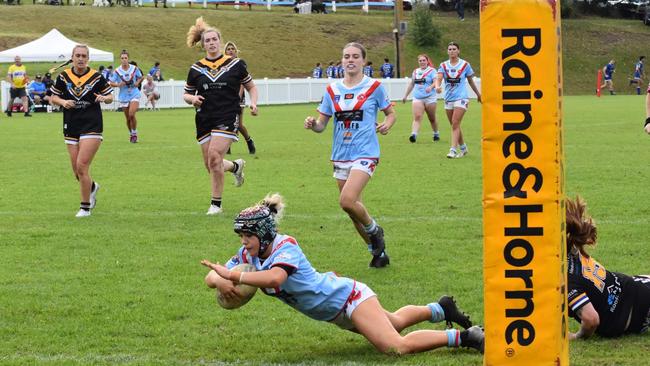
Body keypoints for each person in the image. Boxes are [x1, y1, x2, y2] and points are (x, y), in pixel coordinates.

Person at [201, 193, 485, 355]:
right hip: (336, 313)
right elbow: (212, 277)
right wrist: (221, 280)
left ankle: (466, 338)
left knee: (395, 346)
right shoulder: (250, 254)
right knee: (396, 322)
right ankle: (440, 308)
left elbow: (275, 279)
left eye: (247, 236)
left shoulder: (285, 246)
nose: (243, 242)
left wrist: (234, 277)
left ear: (263, 234)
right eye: (241, 237)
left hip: (347, 297)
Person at [304, 42, 395, 268]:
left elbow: (391, 113)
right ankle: (377, 251)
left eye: (355, 56)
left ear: (364, 61)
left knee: (346, 200)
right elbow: (321, 125)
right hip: (340, 154)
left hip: (366, 152)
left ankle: (375, 231)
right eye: (346, 56)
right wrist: (312, 123)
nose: (350, 60)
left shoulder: (374, 87)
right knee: (352, 210)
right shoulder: (332, 90)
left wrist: (387, 124)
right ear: (342, 61)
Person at [184, 17, 258, 215]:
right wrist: (192, 99)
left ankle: (215, 205)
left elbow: (251, 86)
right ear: (203, 44)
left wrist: (253, 103)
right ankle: (235, 166)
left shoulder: (235, 64)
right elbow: (186, 93)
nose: (211, 43)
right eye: (207, 40)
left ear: (220, 41)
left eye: (214, 39)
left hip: (227, 115)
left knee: (214, 156)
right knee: (211, 164)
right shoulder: (196, 68)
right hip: (204, 118)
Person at [565, 196, 650, 339]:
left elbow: (591, 320)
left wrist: (577, 336)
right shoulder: (574, 251)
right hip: (636, 297)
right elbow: (591, 319)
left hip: (632, 312)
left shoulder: (566, 278)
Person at [49, 44, 113, 217]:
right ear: (72, 57)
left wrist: (104, 98)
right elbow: (52, 96)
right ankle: (92, 187)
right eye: (78, 55)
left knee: (82, 165)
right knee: (77, 172)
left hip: (92, 125)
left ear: (88, 58)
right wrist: (63, 102)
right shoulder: (63, 76)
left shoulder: (96, 77)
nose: (81, 58)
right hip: (71, 125)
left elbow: (110, 96)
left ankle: (85, 208)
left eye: (84, 56)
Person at [435, 42, 481, 159]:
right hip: (448, 98)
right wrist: (437, 86)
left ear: (458, 51)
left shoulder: (465, 64)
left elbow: (470, 81)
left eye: (454, 49)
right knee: (454, 125)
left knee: (455, 122)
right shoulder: (443, 65)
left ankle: (453, 150)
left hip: (462, 97)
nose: (452, 51)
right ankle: (463, 148)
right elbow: (439, 78)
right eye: (449, 49)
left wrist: (478, 94)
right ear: (447, 51)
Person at [224, 41, 257, 155]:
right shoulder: (222, 64)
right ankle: (227, 148)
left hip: (238, 98)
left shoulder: (240, 63)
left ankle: (249, 141)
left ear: (236, 51)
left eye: (232, 48)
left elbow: (243, 82)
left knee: (238, 124)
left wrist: (238, 96)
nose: (230, 50)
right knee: (226, 122)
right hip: (226, 98)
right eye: (228, 49)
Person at [402, 54, 440, 143]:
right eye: (420, 61)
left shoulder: (432, 71)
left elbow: (436, 82)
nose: (422, 62)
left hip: (430, 98)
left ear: (427, 61)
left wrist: (430, 87)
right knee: (417, 116)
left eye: (424, 60)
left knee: (432, 118)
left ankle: (436, 133)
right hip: (418, 97)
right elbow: (412, 84)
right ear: (418, 62)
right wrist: (405, 95)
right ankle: (413, 135)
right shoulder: (415, 71)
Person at [109, 50, 143, 143]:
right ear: (120, 59)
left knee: (132, 114)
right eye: (122, 58)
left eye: (125, 58)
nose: (124, 60)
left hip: (134, 93)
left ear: (128, 59)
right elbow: (111, 83)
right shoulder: (117, 71)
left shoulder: (134, 68)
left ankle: (135, 133)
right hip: (123, 95)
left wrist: (137, 82)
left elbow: (141, 77)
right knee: (128, 118)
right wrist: (118, 84)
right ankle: (131, 134)